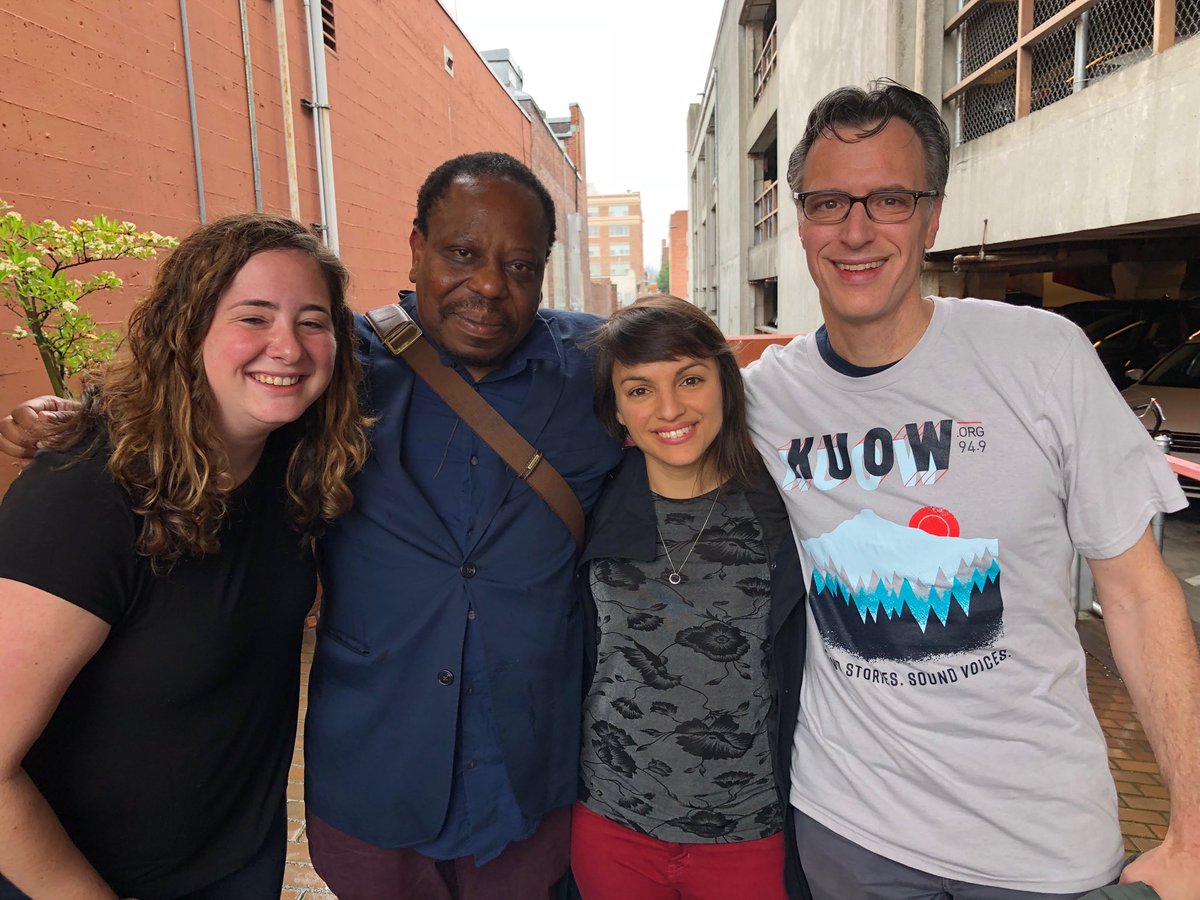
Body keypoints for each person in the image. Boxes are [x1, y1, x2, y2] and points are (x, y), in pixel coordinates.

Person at [0, 154, 622, 900]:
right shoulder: (339, 369)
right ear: (417, 247)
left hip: (526, 779)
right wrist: (74, 423)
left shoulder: (597, 368)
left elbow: (697, 409)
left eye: (520, 264)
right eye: (462, 253)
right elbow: (203, 399)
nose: (489, 283)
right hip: (372, 780)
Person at [742, 80, 1200, 899]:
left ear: (933, 215)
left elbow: (1136, 595)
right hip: (850, 833)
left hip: (1039, 846)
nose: (854, 230)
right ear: (801, 220)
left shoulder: (1041, 356)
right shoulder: (763, 396)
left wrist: (1194, 835)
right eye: (826, 203)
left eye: (888, 198)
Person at [0, 213, 369, 899]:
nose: (286, 347)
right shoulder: (85, 495)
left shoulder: (290, 465)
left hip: (234, 867)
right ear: (187, 326)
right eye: (253, 317)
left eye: (312, 321)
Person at [573, 296, 807, 900]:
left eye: (691, 379)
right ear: (616, 409)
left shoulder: (782, 510)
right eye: (640, 389)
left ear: (725, 385)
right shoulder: (590, 510)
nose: (670, 408)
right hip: (612, 823)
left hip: (750, 833)